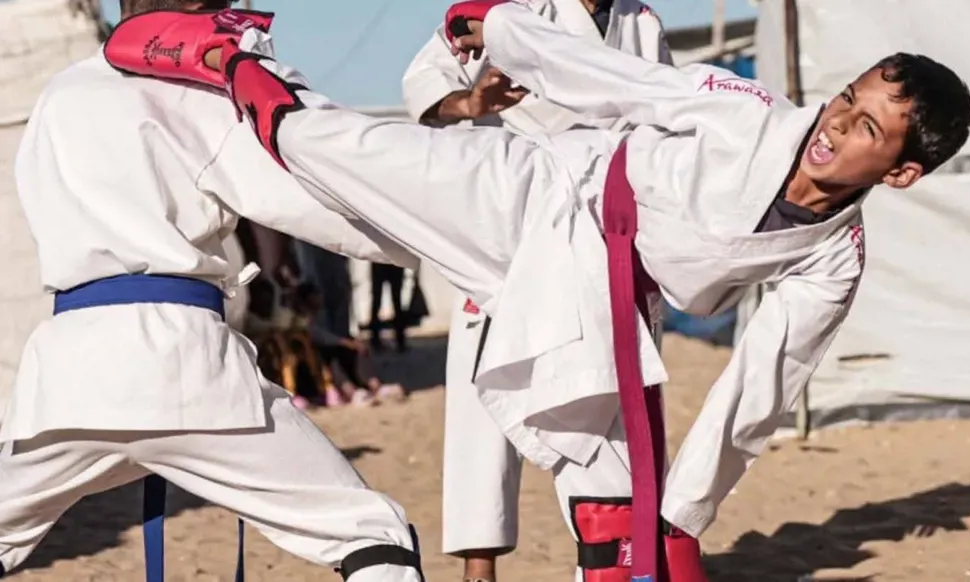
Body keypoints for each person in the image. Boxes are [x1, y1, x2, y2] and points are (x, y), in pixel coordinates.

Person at [104, 3, 970, 579]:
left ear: (898, 172)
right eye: (844, 101)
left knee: (615, 485)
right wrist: (509, 30)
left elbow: (759, 388)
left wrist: (685, 515)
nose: (832, 126)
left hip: (603, 297)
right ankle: (227, 67)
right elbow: (621, 85)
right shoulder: (744, 109)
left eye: (864, 127)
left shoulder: (834, 258)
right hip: (536, 195)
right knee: (338, 164)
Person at [0, 3, 427, 581]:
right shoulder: (197, 90)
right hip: (187, 369)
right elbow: (307, 202)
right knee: (369, 534)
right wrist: (430, 238)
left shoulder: (59, 94)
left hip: (69, 376)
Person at [401, 1, 672, 579]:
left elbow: (667, 116)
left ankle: (608, 561)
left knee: (604, 400)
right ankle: (480, 566)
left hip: (610, 225)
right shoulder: (510, 9)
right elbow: (425, 85)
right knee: (484, 393)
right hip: (514, 217)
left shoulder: (642, 21)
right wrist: (471, 103)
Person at [368, 262, 409, 351]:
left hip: (380, 260)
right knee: (396, 301)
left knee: (377, 301)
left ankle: (376, 340)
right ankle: (400, 340)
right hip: (393, 259)